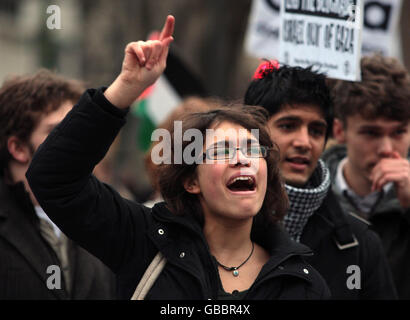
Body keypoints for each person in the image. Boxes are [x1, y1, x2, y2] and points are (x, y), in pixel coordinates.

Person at [26, 15, 330, 300]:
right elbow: (54, 177)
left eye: (252, 150)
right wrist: (125, 89)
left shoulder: (302, 284)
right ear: (190, 180)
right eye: (223, 150)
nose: (242, 159)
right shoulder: (145, 243)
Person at [244, 61, 397, 299]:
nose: (304, 142)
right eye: (288, 126)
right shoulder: (220, 226)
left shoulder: (359, 245)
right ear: (254, 132)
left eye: (316, 130)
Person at [0, 70, 116, 299]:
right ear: (18, 148)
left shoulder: (103, 218)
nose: (74, 141)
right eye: (58, 131)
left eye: (77, 130)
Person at [323, 54, 410, 299]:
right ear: (340, 131)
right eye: (371, 133)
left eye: (399, 132)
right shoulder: (310, 197)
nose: (386, 147)